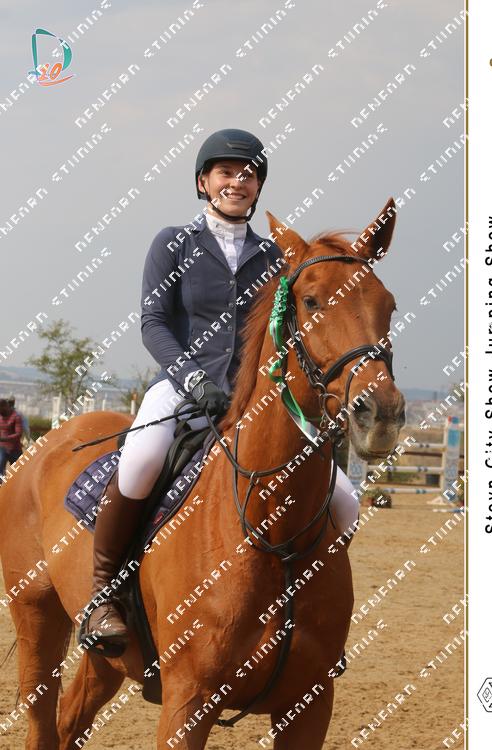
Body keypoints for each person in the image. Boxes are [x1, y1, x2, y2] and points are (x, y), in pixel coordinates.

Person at [80, 128, 359, 654]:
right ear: (203, 183)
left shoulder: (276, 257)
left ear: (258, 187)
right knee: (141, 460)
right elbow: (153, 323)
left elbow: (289, 331)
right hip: (182, 389)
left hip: (256, 400)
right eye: (226, 172)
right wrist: (191, 378)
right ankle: (103, 595)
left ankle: (310, 612)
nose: (238, 181)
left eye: (248, 174)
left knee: (346, 502)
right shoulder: (174, 243)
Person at [0, 398, 23, 478]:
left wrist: (3, 439)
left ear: (4, 406)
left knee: (18, 472)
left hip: (15, 449)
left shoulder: (16, 417)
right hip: (2, 448)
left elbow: (18, 434)